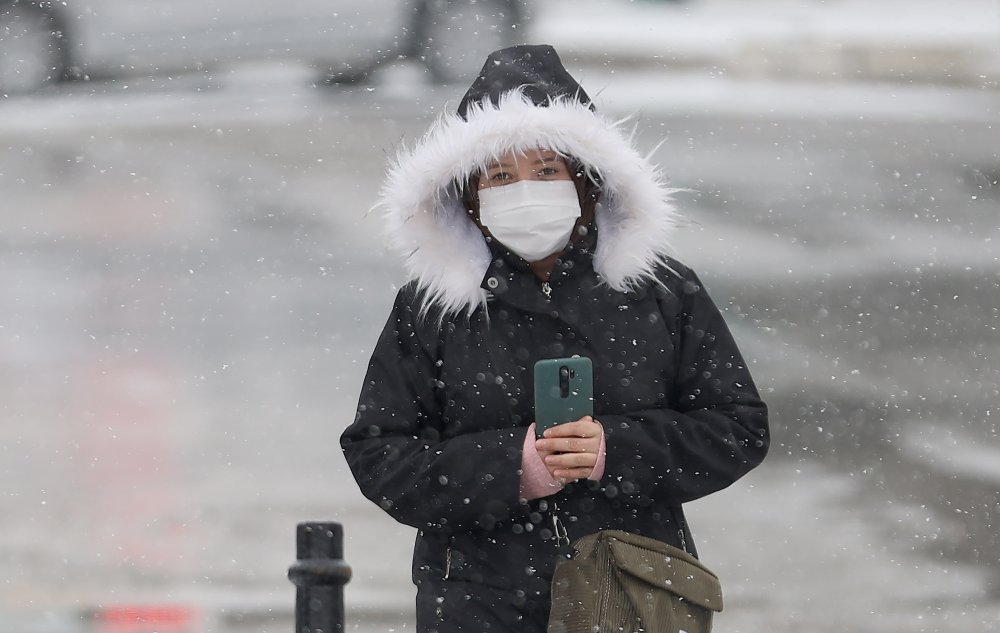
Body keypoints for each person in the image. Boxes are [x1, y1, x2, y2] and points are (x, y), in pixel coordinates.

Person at [340, 44, 769, 632]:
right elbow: (379, 453)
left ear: (585, 182)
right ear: (471, 198)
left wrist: (615, 451)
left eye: (546, 171)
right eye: (500, 176)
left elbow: (737, 429)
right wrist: (510, 466)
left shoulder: (662, 292)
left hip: (630, 593)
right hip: (478, 603)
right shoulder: (434, 308)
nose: (524, 191)